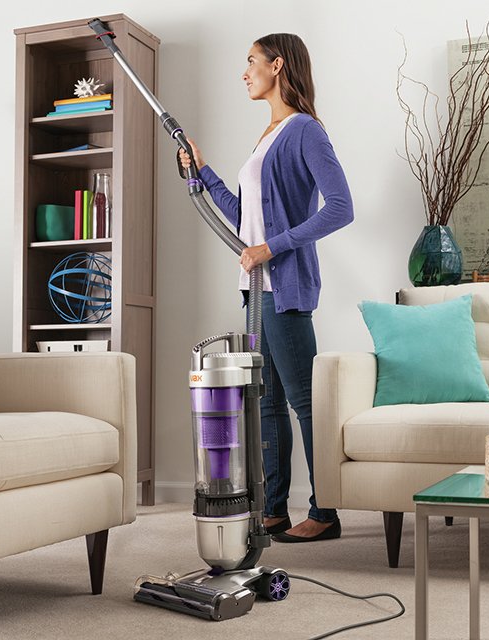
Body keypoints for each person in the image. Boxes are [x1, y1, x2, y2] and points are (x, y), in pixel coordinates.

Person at [180, 33, 353, 542]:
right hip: (255, 290)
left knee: (304, 401)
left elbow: (340, 207)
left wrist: (272, 249)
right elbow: (244, 220)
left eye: (251, 61)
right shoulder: (267, 135)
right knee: (267, 402)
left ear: (278, 65)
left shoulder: (304, 131)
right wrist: (202, 170)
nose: (244, 71)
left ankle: (325, 512)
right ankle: (274, 508)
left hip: (285, 287)